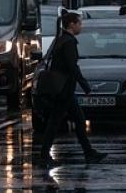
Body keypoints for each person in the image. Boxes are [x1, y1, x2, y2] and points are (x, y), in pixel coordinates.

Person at [38, 12, 107, 166]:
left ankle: (89, 153)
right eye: (79, 23)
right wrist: (85, 85)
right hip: (64, 89)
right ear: (71, 24)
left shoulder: (61, 39)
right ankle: (44, 155)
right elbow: (72, 66)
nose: (80, 27)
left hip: (63, 88)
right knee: (56, 122)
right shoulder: (69, 42)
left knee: (76, 120)